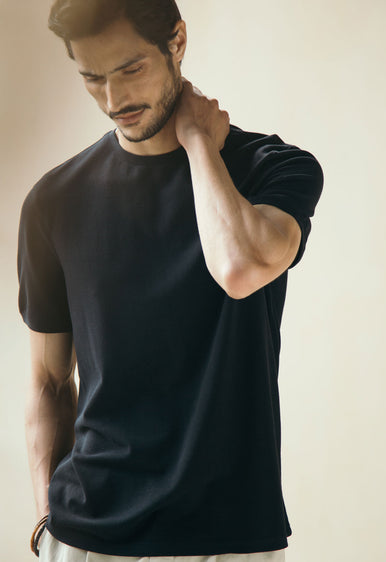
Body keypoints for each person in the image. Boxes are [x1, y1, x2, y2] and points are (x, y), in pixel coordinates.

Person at [17, 1, 324, 561]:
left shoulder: (274, 169)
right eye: (92, 78)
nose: (114, 99)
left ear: (177, 42)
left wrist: (199, 142)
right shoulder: (54, 202)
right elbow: (48, 381)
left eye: (131, 69)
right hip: (86, 535)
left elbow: (240, 268)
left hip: (229, 535)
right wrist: (45, 522)